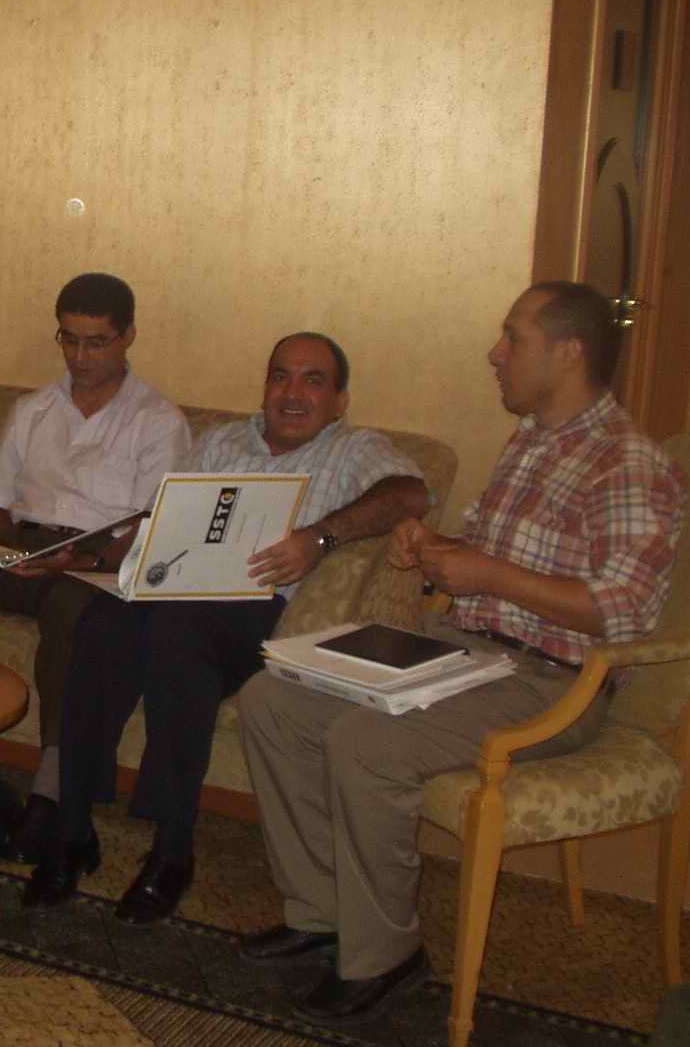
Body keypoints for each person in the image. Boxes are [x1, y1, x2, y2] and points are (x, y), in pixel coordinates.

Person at [235, 283, 686, 1028]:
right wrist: (436, 550)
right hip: (467, 651)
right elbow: (495, 563)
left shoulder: (626, 462)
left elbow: (624, 609)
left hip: (554, 681)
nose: (495, 354)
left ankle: (385, 956)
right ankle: (321, 913)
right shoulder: (533, 439)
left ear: (567, 353)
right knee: (271, 700)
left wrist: (488, 574)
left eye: (514, 338)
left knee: (367, 743)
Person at [24, 332, 430, 925]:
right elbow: (161, 517)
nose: (292, 393)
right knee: (103, 620)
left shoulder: (354, 449)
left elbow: (411, 494)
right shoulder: (221, 441)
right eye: (280, 376)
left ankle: (173, 846)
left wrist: (318, 538)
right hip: (176, 591)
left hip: (257, 610)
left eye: (313, 381)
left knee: (178, 631)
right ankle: (72, 827)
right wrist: (88, 558)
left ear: (340, 400)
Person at [0, 273, 193, 859]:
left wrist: (82, 559)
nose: (80, 356)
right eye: (69, 339)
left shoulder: (158, 422)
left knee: (74, 609)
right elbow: (1, 515)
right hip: (24, 550)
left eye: (96, 342)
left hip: (97, 562)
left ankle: (52, 790)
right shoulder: (34, 410)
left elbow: (151, 530)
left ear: (127, 337)